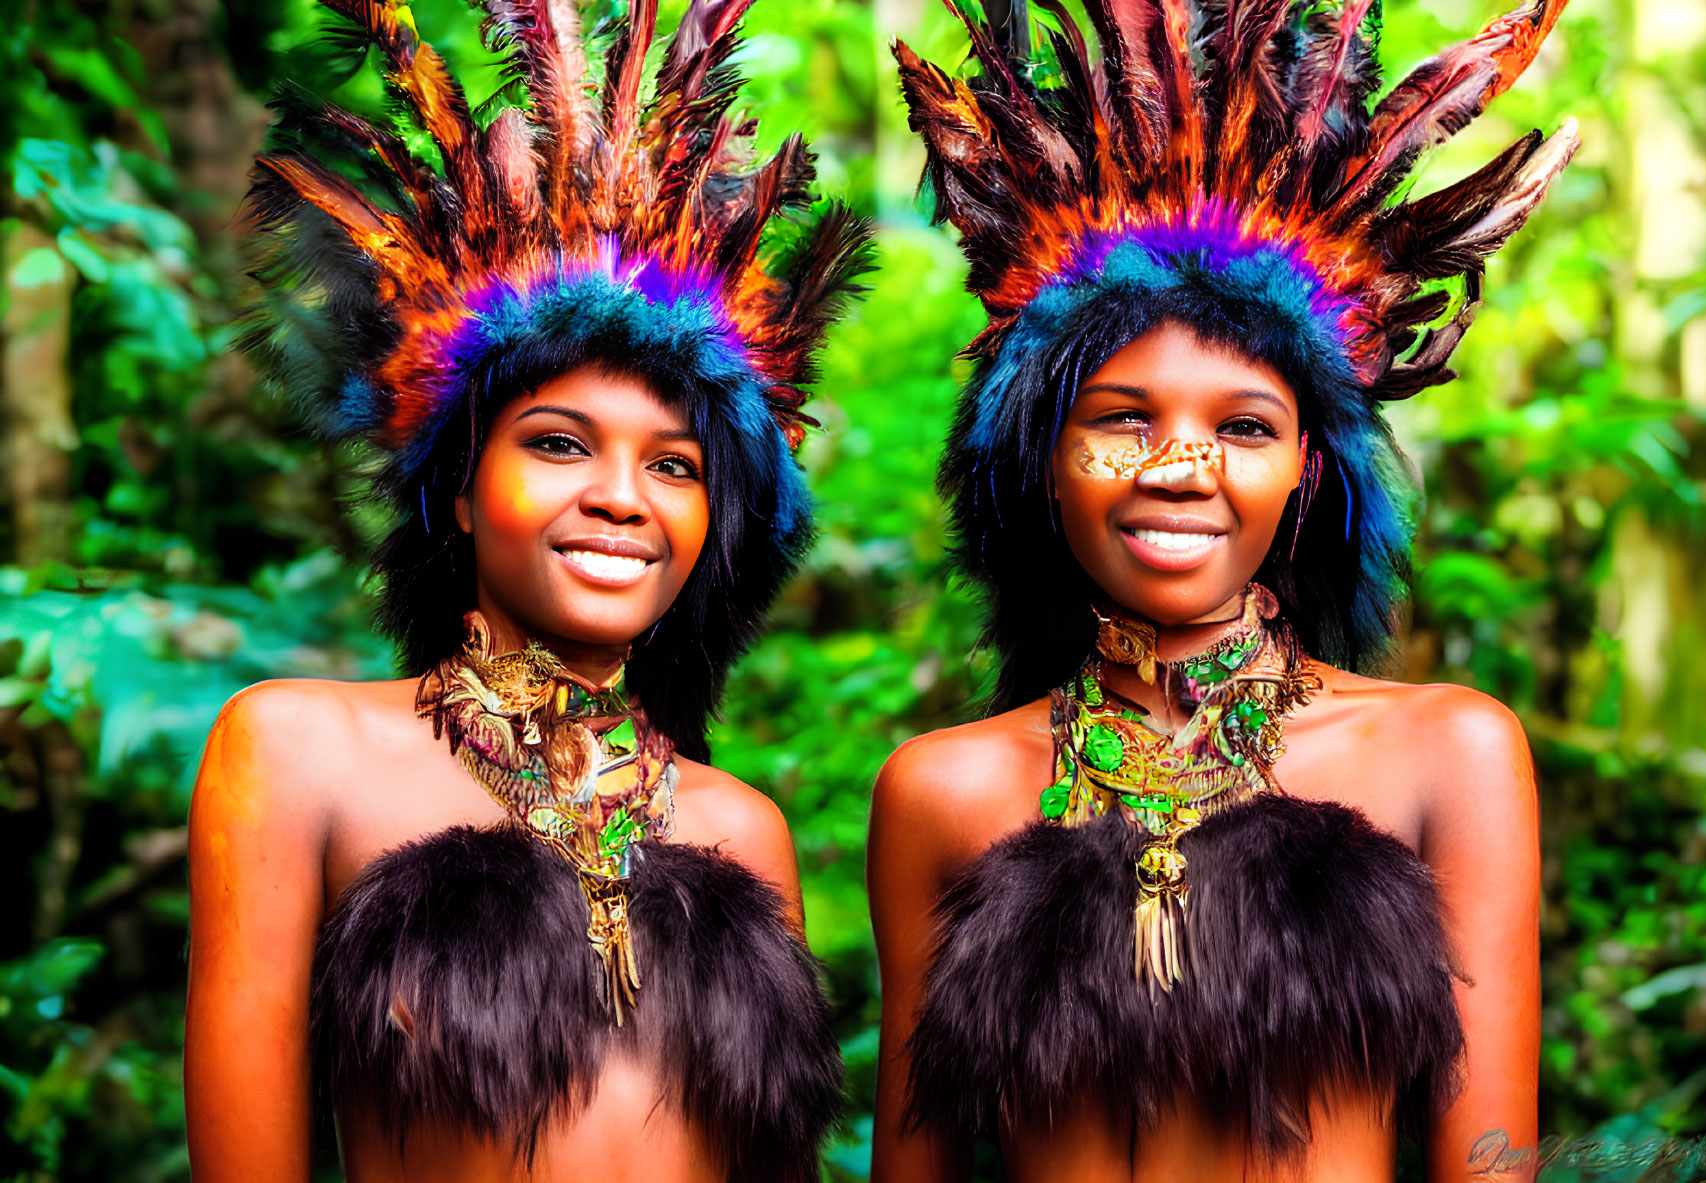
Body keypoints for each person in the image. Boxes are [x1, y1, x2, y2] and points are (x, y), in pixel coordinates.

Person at [870, 0, 1577, 1179]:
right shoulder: (943, 790)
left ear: (1303, 470)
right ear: (1044, 455)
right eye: (1121, 418)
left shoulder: (1446, 752)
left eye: (1241, 426)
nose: (1179, 468)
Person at [183, 1, 869, 1180]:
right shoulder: (296, 750)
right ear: (456, 490)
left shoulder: (737, 826)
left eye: (673, 464)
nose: (621, 496)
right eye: (557, 443)